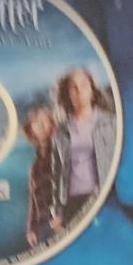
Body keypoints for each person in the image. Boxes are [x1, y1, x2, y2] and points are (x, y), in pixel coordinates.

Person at [54, 66, 118, 223]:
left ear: (92, 90)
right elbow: (57, 173)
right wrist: (57, 211)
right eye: (73, 87)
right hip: (71, 203)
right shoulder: (61, 131)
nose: (79, 91)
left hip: (102, 199)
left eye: (83, 85)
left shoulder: (111, 124)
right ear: (67, 94)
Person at [22, 102, 63, 247]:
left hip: (61, 223)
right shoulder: (34, 167)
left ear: (53, 125)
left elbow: (70, 188)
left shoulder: (62, 155)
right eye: (36, 121)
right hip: (43, 228)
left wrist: (63, 216)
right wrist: (31, 228)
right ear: (31, 129)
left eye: (44, 120)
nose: (40, 124)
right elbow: (33, 200)